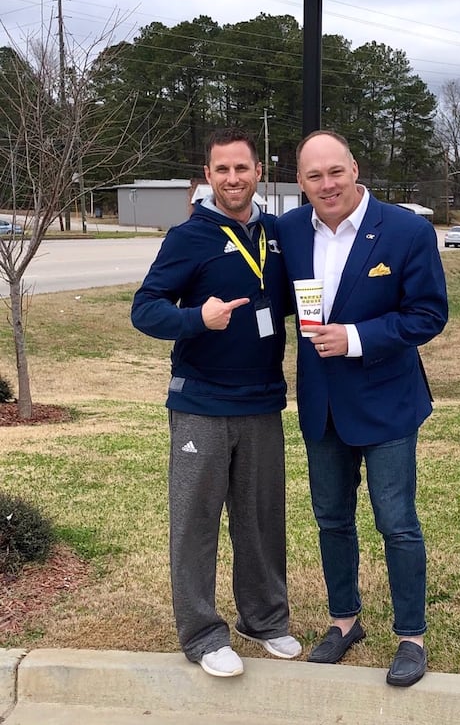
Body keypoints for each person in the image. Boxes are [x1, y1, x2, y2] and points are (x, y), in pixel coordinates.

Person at [276, 130, 448, 688]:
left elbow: (427, 315)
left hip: (387, 403)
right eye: (313, 176)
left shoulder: (406, 231)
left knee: (396, 523)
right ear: (299, 182)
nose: (326, 185)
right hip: (322, 405)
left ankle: (411, 637)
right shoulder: (289, 232)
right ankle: (344, 622)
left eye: (335, 172)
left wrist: (353, 337)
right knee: (331, 520)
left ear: (354, 168)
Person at [131, 128, 301, 678]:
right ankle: (203, 634)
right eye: (222, 170)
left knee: (261, 520)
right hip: (201, 402)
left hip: (261, 403)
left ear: (259, 173)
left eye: (242, 169)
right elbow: (145, 309)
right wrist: (194, 320)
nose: (233, 179)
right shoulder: (189, 237)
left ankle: (265, 618)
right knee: (196, 521)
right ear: (208, 176)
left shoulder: (276, 236)